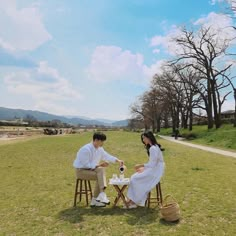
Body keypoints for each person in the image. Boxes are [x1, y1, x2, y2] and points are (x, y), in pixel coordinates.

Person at [73, 132, 124, 207]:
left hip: (92, 169)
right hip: (81, 171)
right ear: (96, 140)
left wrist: (118, 160)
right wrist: (100, 165)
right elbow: (85, 164)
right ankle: (97, 199)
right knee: (100, 175)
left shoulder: (100, 149)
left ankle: (100, 196)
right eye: (102, 141)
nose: (103, 143)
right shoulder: (85, 149)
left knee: (101, 171)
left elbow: (107, 156)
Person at [125, 131, 165, 209]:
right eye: (142, 138)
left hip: (155, 171)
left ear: (149, 138)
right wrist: (143, 168)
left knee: (135, 178)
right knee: (135, 176)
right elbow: (152, 163)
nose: (143, 140)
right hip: (155, 169)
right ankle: (133, 200)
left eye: (144, 138)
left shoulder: (153, 148)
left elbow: (152, 164)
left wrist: (141, 165)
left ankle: (134, 201)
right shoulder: (154, 146)